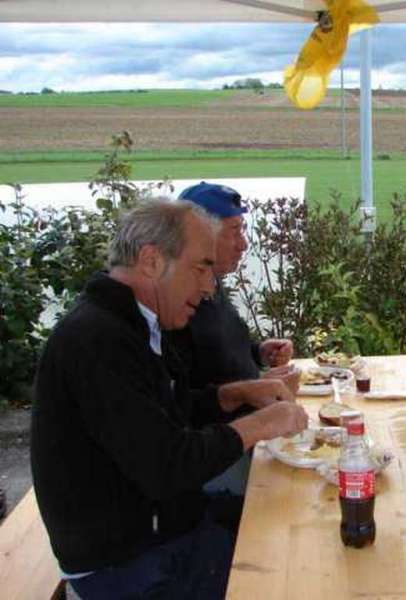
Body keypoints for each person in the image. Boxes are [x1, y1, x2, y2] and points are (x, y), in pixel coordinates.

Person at [30, 199, 309, 599]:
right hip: (128, 564)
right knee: (292, 571)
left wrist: (233, 395)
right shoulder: (97, 340)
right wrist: (261, 424)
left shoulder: (132, 323)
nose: (209, 286)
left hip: (164, 530)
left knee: (291, 519)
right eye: (201, 268)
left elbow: (161, 417)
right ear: (151, 261)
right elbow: (165, 465)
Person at [175, 181, 294, 387]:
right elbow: (187, 399)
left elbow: (220, 355)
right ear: (201, 236)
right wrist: (252, 387)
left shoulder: (213, 283)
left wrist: (258, 353)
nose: (243, 244)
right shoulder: (176, 305)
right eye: (234, 231)